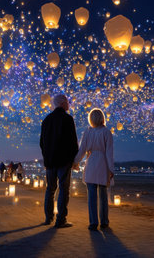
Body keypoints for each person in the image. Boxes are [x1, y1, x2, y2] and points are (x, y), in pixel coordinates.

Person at [40, 94, 79, 228]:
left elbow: (42, 143)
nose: (69, 104)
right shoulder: (68, 119)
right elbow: (73, 142)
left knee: (50, 189)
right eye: (68, 102)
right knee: (63, 189)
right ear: (62, 103)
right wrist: (74, 160)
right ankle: (61, 219)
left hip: (50, 161)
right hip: (64, 161)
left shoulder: (46, 120)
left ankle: (48, 217)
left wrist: (46, 157)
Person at [73, 108, 114, 231]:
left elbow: (82, 149)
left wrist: (76, 162)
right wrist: (111, 169)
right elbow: (109, 153)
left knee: (91, 196)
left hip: (91, 163)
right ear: (102, 118)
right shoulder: (107, 132)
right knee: (103, 196)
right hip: (102, 164)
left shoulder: (88, 132)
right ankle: (104, 222)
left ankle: (93, 222)